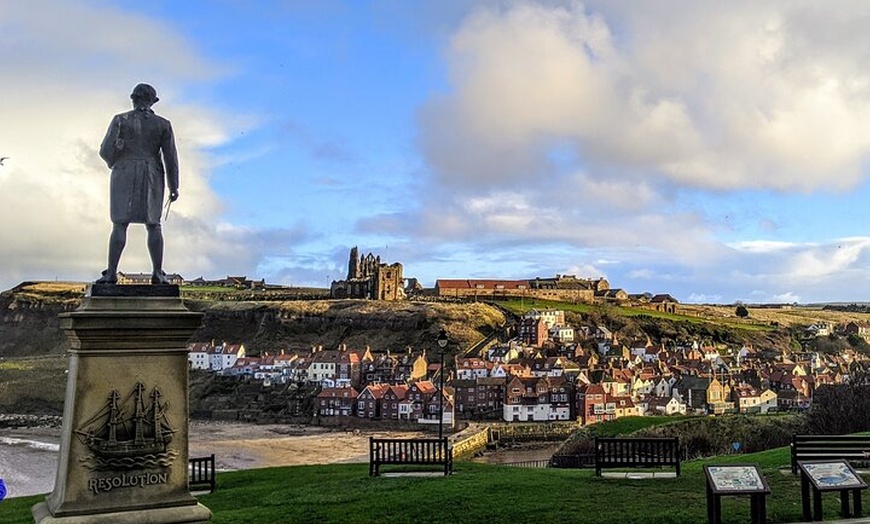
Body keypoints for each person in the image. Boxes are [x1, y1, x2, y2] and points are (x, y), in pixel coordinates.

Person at [96, 83, 179, 285]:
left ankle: (111, 273)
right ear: (152, 101)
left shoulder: (120, 120)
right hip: (152, 173)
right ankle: (157, 273)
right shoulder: (163, 124)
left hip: (124, 172)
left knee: (119, 224)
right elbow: (171, 158)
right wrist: (174, 186)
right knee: (154, 224)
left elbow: (105, 152)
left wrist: (116, 154)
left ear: (134, 99)